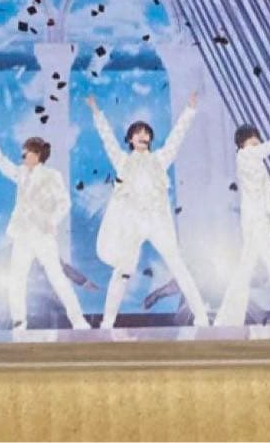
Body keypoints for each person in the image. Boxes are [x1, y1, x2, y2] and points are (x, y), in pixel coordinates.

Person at [86, 93, 210, 328]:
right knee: (122, 271)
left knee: (178, 266)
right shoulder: (123, 161)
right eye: (138, 133)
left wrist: (189, 111)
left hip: (157, 221)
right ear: (131, 139)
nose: (143, 136)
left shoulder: (160, 159)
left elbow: (176, 138)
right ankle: (108, 321)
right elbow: (107, 139)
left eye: (146, 133)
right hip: (132, 223)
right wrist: (96, 112)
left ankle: (201, 316)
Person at [0, 119, 90, 330]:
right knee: (17, 278)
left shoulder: (52, 175)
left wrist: (52, 220)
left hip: (42, 233)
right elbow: (1, 162)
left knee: (57, 277)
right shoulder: (21, 173)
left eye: (26, 152)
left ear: (37, 154)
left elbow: (64, 202)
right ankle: (19, 322)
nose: (22, 155)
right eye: (23, 152)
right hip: (22, 233)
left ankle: (78, 320)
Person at [215, 109, 270, 327]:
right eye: (251, 138)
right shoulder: (246, 155)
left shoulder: (252, 158)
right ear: (242, 142)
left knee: (247, 270)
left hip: (259, 220)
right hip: (256, 222)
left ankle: (228, 318)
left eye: (256, 138)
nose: (256, 141)